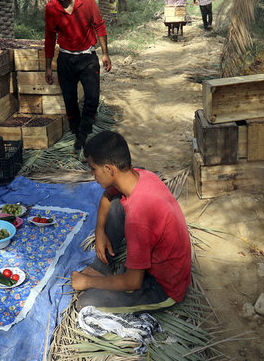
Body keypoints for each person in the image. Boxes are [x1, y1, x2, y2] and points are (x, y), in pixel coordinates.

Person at [71, 131, 192, 313]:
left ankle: (98, 278)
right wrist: (100, 233)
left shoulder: (138, 218)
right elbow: (107, 197)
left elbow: (133, 282)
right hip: (156, 263)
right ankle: (101, 268)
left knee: (86, 303)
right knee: (116, 204)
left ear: (109, 169)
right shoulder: (141, 176)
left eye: (93, 168)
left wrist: (87, 282)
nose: (92, 174)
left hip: (163, 288)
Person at [44, 0, 112, 153]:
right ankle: (76, 132)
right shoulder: (51, 8)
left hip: (88, 57)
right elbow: (49, 38)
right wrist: (48, 66)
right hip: (66, 59)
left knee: (92, 97)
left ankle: (83, 135)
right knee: (70, 100)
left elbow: (99, 25)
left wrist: (105, 53)